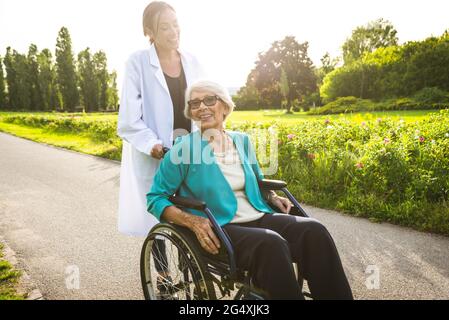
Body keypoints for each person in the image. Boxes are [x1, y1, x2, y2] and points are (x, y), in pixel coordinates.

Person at [146, 80, 354, 300]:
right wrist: (192, 221)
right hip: (219, 226)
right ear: (191, 112)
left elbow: (257, 180)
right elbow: (155, 198)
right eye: (195, 103)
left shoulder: (241, 140)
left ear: (225, 106)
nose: (202, 107)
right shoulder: (183, 149)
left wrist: (272, 197)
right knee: (271, 243)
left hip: (256, 214)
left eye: (209, 100)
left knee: (314, 230)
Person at [117, 1, 205, 237]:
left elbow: (206, 103)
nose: (173, 31)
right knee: (158, 219)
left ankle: (191, 270)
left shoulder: (193, 62)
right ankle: (164, 272)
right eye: (164, 27)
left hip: (189, 152)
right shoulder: (137, 63)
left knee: (192, 214)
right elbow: (128, 119)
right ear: (149, 32)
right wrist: (151, 144)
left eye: (175, 24)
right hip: (158, 153)